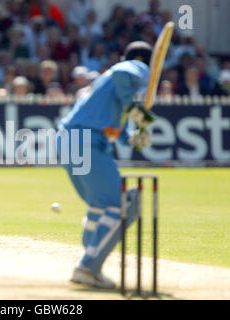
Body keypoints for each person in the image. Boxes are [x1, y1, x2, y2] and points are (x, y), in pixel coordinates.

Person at [57, 41, 155, 288]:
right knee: (123, 203)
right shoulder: (134, 67)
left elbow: (114, 122)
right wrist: (137, 111)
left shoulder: (105, 83)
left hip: (71, 140)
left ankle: (90, 253)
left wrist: (132, 135)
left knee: (100, 205)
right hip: (86, 141)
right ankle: (88, 266)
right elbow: (125, 73)